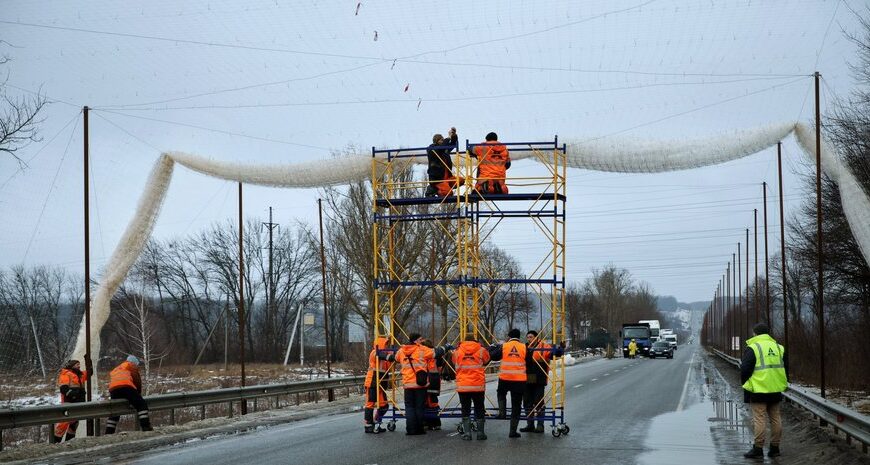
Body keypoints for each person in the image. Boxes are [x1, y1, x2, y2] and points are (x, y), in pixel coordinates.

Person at [383, 333, 448, 435]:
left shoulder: (402, 351)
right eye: (420, 339)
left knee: (409, 408)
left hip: (408, 385)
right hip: (420, 384)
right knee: (419, 407)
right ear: (416, 340)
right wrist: (446, 347)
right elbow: (436, 353)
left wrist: (382, 355)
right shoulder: (421, 350)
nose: (422, 341)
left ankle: (410, 429)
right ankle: (419, 429)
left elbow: (393, 358)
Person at [740, 323, 788, 459]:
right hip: (775, 389)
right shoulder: (779, 347)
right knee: (776, 418)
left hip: (758, 389)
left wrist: (745, 383)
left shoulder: (753, 347)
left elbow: (745, 369)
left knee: (759, 419)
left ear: (755, 333)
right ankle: (775, 448)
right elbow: (786, 368)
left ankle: (758, 449)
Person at [520, 331, 564, 433]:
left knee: (538, 402)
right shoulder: (524, 347)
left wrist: (560, 349)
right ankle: (530, 424)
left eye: (531, 337)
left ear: (536, 338)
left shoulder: (543, 346)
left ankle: (540, 425)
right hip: (527, 378)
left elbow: (552, 354)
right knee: (527, 402)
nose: (529, 339)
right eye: (528, 337)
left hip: (539, 378)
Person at [489, 328, 526, 438]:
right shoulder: (524, 347)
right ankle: (512, 431)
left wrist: (491, 348)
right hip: (519, 380)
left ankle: (502, 413)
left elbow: (493, 357)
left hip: (505, 378)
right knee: (516, 405)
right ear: (519, 337)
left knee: (501, 393)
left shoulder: (504, 346)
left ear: (509, 337)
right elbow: (529, 360)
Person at [453, 335, 491, 440]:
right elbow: (487, 360)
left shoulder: (457, 351)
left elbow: (454, 362)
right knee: (479, 408)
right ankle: (480, 433)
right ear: (474, 340)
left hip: (463, 386)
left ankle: (467, 434)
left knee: (465, 409)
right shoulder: (481, 350)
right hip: (477, 385)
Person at [105, 355, 153, 434]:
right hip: (126, 386)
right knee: (141, 405)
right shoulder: (131, 366)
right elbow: (137, 381)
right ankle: (146, 427)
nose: (137, 366)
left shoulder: (118, 368)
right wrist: (138, 395)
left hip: (113, 390)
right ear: (134, 362)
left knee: (115, 410)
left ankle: (109, 432)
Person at [54, 359, 91, 442]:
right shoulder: (66, 374)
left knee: (74, 423)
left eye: (79, 364)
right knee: (64, 422)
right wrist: (74, 395)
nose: (79, 366)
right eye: (77, 364)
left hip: (78, 402)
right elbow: (63, 389)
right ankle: (55, 442)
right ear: (72, 365)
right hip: (69, 402)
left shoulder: (80, 375)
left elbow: (89, 372)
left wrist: (88, 360)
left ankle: (69, 443)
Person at [364, 337, 391, 433]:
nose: (387, 346)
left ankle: (376, 421)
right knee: (370, 404)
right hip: (372, 382)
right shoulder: (374, 352)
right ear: (381, 344)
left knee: (384, 406)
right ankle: (368, 425)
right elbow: (380, 355)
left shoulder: (385, 355)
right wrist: (389, 356)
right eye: (386, 344)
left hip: (380, 384)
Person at [425, 127, 462, 197]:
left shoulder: (444, 150)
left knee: (461, 180)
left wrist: (453, 135)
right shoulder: (432, 149)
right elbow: (441, 148)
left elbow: (453, 144)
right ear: (436, 141)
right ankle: (433, 189)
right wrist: (448, 137)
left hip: (447, 178)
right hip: (438, 180)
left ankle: (445, 188)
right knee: (448, 193)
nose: (443, 141)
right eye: (441, 140)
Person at [420, 339, 442, 431]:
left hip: (425, 380)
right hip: (435, 380)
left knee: (424, 402)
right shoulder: (437, 355)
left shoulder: (422, 354)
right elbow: (440, 368)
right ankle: (436, 423)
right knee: (433, 401)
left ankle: (426, 422)